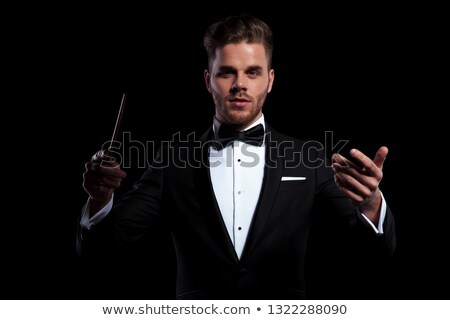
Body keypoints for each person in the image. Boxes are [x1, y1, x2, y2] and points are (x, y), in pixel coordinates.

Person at [78, 14, 396, 299]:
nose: (240, 85)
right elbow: (100, 254)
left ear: (270, 80)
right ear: (208, 80)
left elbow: (370, 256)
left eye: (252, 72)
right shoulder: (172, 160)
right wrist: (101, 197)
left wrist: (371, 205)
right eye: (227, 73)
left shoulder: (308, 158)